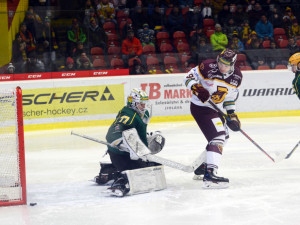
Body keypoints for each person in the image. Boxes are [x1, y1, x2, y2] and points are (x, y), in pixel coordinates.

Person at [183, 48, 243, 188]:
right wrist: (196, 88)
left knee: (224, 137)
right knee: (218, 138)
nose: (222, 67)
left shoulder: (237, 77)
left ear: (232, 65)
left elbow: (229, 98)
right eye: (220, 63)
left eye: (226, 65)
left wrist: (232, 115)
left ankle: (203, 166)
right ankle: (210, 176)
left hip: (216, 109)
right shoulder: (208, 66)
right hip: (201, 108)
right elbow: (188, 77)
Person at [94, 88, 166, 196]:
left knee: (147, 161)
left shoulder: (136, 113)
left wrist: (143, 151)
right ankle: (120, 181)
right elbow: (111, 134)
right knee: (143, 172)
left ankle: (109, 171)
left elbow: (139, 135)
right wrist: (121, 142)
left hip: (122, 154)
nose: (144, 107)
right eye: (141, 104)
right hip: (120, 155)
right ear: (133, 104)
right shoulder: (129, 116)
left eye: (144, 104)